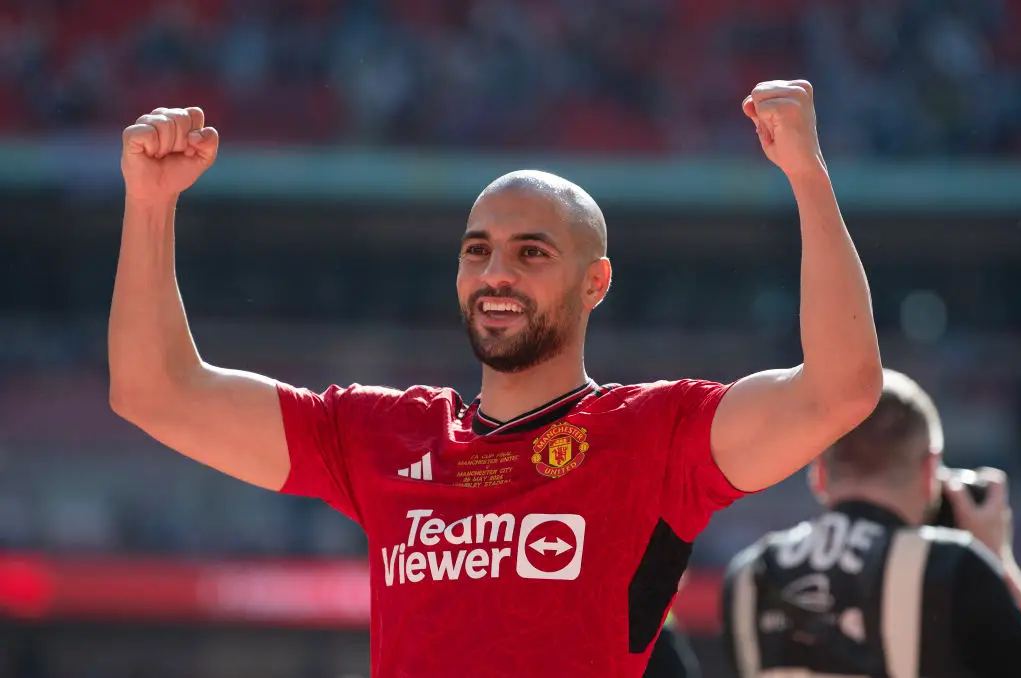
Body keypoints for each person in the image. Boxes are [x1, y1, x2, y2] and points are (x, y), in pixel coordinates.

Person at [108, 79, 882, 677]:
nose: (496, 274)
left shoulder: (655, 435)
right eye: (477, 250)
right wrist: (150, 204)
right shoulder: (381, 434)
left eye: (532, 252)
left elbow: (839, 390)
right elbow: (156, 391)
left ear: (596, 282)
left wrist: (807, 175)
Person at [720, 369, 1021, 678]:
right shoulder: (953, 566)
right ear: (930, 470)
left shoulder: (748, 575)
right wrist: (999, 562)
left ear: (819, 472)